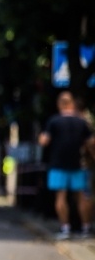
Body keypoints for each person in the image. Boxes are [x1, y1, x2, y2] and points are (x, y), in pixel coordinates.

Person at [38, 91, 95, 240]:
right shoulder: (81, 122)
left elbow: (44, 141)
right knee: (82, 197)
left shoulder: (54, 121)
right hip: (78, 165)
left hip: (58, 165)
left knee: (60, 197)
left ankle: (65, 228)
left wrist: (42, 137)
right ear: (72, 104)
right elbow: (91, 142)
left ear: (59, 105)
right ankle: (86, 228)